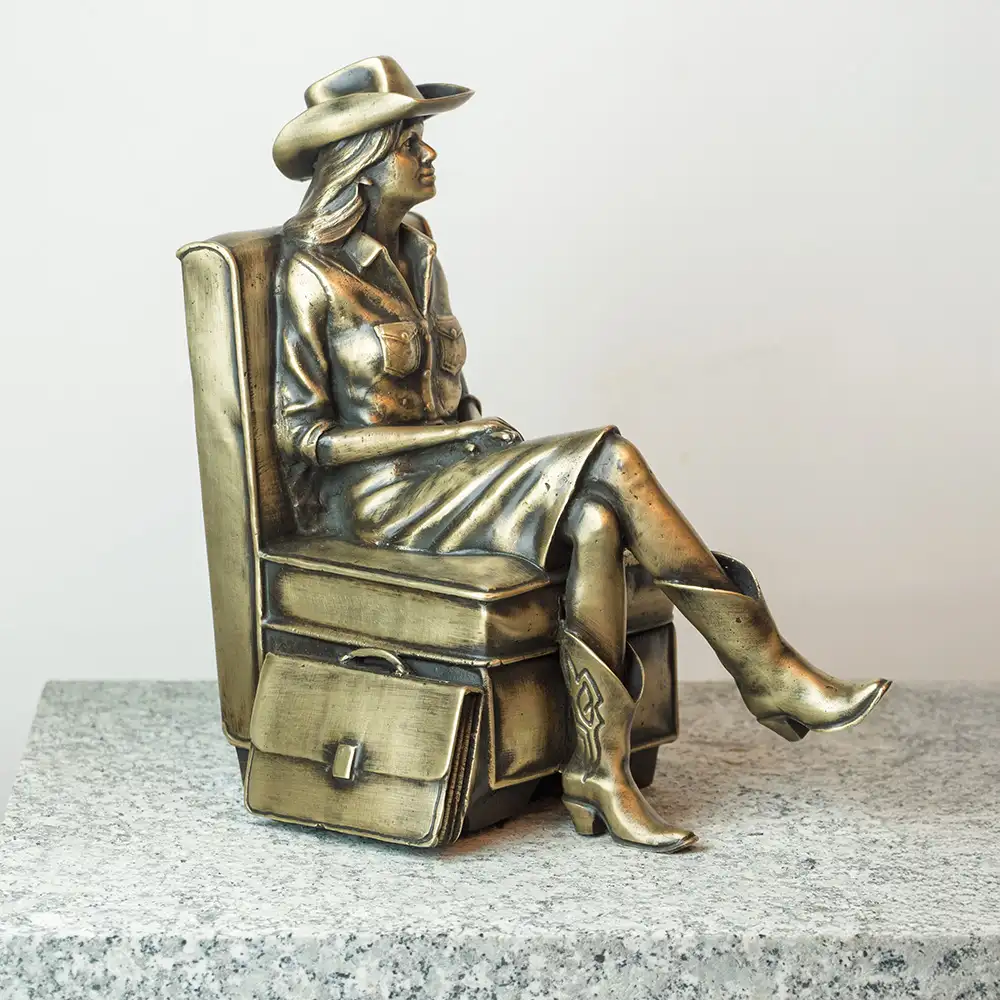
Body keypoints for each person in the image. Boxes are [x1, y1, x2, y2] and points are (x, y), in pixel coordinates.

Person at [271, 56, 890, 852]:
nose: (428, 153)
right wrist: (451, 438)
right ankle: (765, 666)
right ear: (362, 160)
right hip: (382, 504)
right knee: (614, 458)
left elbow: (450, 393)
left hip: (455, 476)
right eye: (410, 141)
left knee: (596, 520)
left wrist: (470, 437)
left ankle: (602, 771)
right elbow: (304, 436)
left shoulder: (419, 250)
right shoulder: (311, 274)